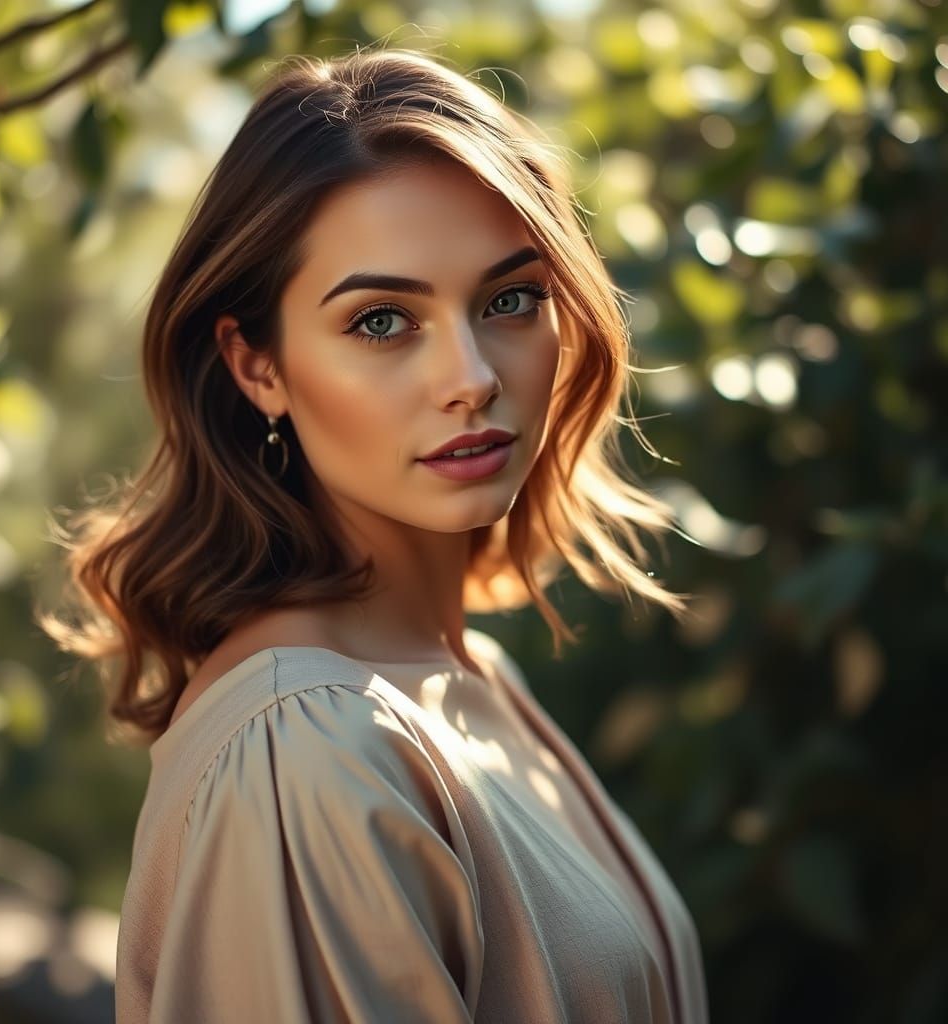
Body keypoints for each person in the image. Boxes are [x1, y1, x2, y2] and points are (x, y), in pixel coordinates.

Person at [38, 46, 710, 1023]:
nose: (472, 377)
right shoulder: (307, 749)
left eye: (510, 300)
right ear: (258, 366)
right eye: (383, 321)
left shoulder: (466, 678)